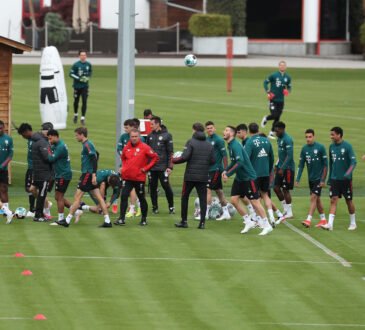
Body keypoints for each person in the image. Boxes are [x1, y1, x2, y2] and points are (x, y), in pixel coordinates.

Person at [55, 127, 112, 228]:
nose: (75, 137)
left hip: (87, 175)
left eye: (76, 135)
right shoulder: (86, 145)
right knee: (100, 198)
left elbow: (94, 158)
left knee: (77, 197)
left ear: (82, 134)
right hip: (88, 174)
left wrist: (93, 174)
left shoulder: (87, 145)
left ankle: (67, 220)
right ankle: (107, 220)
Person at [222, 126, 273, 236]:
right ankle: (248, 222)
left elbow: (240, 162)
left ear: (232, 133)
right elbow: (234, 161)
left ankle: (267, 225)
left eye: (226, 130)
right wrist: (225, 170)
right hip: (240, 178)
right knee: (234, 200)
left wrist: (228, 174)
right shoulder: (230, 145)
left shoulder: (235, 145)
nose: (223, 132)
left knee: (255, 202)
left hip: (248, 178)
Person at [173, 123, 215, 229]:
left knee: (185, 197)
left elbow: (185, 157)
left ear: (194, 130)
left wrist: (173, 161)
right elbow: (213, 160)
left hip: (190, 176)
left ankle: (184, 221)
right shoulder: (209, 145)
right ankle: (202, 223)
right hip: (203, 176)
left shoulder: (191, 142)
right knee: (203, 199)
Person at [114, 129, 158, 226]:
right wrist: (124, 168)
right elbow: (123, 158)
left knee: (142, 198)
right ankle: (121, 218)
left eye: (135, 136)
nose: (134, 138)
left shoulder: (145, 147)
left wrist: (146, 168)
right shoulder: (126, 147)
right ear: (130, 137)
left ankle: (144, 219)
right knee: (124, 195)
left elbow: (155, 157)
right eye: (132, 137)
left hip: (139, 178)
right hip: (128, 177)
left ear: (139, 137)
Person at [321, 127, 357, 231]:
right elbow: (331, 163)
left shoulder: (347, 146)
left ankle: (353, 223)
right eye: (331, 134)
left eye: (333, 134)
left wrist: (348, 173)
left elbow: (353, 162)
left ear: (339, 135)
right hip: (334, 179)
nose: (331, 137)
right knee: (333, 200)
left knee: (348, 200)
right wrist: (329, 178)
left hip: (346, 180)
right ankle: (330, 224)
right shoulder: (331, 147)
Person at [47, 129, 82, 224]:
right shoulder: (58, 144)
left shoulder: (60, 147)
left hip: (63, 174)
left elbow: (51, 158)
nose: (49, 140)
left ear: (56, 136)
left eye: (50, 138)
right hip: (61, 174)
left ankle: (61, 219)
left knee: (59, 197)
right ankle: (76, 211)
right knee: (58, 196)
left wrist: (48, 149)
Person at [295, 129, 328, 228]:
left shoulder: (320, 147)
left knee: (313, 197)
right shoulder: (304, 149)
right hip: (311, 179)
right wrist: (297, 179)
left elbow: (326, 165)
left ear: (314, 137)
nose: (308, 139)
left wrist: (323, 180)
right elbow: (301, 165)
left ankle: (308, 220)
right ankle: (323, 220)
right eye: (306, 137)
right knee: (317, 199)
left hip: (319, 178)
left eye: (310, 137)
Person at [245, 122, 276, 226]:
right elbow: (271, 157)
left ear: (249, 131)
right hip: (265, 173)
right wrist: (269, 169)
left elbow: (246, 159)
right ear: (258, 130)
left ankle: (262, 221)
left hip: (254, 175)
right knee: (265, 194)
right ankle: (272, 217)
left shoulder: (249, 142)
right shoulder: (266, 141)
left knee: (256, 198)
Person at [146, 116, 174, 214]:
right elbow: (147, 153)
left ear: (158, 124)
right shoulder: (149, 136)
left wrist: (170, 167)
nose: (151, 126)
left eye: (152, 124)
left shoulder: (167, 135)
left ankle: (171, 207)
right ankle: (155, 207)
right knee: (152, 188)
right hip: (152, 168)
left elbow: (171, 152)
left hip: (163, 167)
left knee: (166, 187)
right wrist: (146, 166)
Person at [204, 121, 230, 221]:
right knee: (219, 191)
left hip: (216, 169)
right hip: (209, 169)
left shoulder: (219, 140)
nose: (209, 130)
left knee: (208, 189)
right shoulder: (206, 140)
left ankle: (205, 213)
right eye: (208, 128)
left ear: (214, 128)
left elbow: (224, 155)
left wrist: (226, 170)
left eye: (211, 128)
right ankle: (226, 212)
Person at [261, 60, 292, 139]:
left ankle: (271, 133)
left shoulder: (287, 77)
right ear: (279, 66)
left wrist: (287, 91)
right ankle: (266, 118)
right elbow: (265, 82)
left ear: (285, 67)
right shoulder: (274, 75)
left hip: (281, 101)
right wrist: (268, 91)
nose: (282, 67)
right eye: (281, 65)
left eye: (284, 65)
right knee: (275, 115)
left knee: (277, 118)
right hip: (273, 99)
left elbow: (289, 86)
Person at [116, 119, 141, 217]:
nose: (125, 129)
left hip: (136, 168)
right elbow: (119, 149)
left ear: (132, 127)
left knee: (134, 188)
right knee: (129, 188)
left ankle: (133, 208)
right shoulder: (123, 137)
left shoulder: (139, 139)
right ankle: (133, 207)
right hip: (125, 167)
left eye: (126, 127)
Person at [273, 121, 295, 224]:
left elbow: (289, 156)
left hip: (288, 169)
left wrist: (282, 168)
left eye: (277, 130)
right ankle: (285, 209)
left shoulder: (288, 139)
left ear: (282, 129)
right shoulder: (279, 139)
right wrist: (277, 165)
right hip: (281, 167)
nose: (275, 132)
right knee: (276, 188)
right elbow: (281, 154)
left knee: (285, 189)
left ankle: (289, 212)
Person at [31, 122, 54, 222]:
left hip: (37, 171)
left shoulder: (36, 140)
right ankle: (38, 215)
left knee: (39, 193)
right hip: (43, 172)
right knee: (42, 194)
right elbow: (46, 157)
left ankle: (40, 213)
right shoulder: (43, 142)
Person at [236, 123, 258, 220]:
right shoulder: (244, 143)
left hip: (249, 175)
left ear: (245, 132)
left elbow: (245, 160)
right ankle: (253, 213)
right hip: (245, 174)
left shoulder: (248, 142)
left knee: (254, 198)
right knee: (242, 195)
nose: (237, 134)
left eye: (239, 132)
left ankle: (259, 218)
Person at [17, 123, 37, 217]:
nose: (22, 136)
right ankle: (37, 207)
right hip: (30, 167)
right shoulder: (30, 139)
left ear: (27, 132)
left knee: (32, 188)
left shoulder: (36, 140)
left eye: (22, 134)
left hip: (35, 168)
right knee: (28, 188)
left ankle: (34, 209)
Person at [69, 50, 92, 126]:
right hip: (77, 86)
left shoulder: (88, 64)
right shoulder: (76, 65)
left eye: (84, 55)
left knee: (84, 101)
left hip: (85, 86)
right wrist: (79, 78)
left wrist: (87, 78)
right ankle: (75, 114)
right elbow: (71, 74)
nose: (83, 56)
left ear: (86, 56)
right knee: (76, 101)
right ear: (79, 56)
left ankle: (82, 118)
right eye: (82, 55)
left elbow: (90, 73)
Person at [0, 120, 14, 224]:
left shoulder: (8, 139)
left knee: (3, 189)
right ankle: (7, 212)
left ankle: (6, 212)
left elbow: (10, 154)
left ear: (4, 127)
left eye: (1, 128)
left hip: (2, 170)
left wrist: (3, 165)